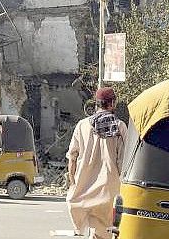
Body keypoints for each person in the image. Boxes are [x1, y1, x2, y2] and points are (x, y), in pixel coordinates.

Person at [66, 87, 127, 239]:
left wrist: (73, 184)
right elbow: (122, 162)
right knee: (105, 233)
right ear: (112, 103)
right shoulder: (119, 127)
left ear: (97, 104)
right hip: (109, 191)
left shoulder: (82, 125)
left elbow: (72, 158)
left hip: (83, 190)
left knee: (94, 232)